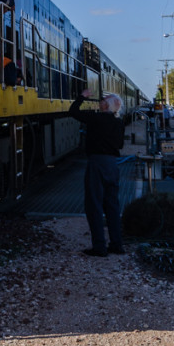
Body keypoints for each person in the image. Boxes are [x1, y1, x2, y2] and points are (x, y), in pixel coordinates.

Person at [69, 88, 128, 257]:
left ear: (106, 106)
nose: (101, 101)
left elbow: (73, 111)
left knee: (94, 204)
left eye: (104, 100)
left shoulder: (96, 118)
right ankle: (117, 244)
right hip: (112, 165)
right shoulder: (119, 123)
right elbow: (120, 145)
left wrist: (82, 96)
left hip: (97, 163)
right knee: (112, 205)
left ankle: (99, 246)